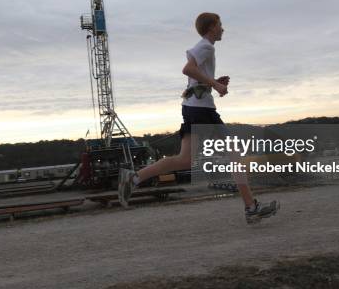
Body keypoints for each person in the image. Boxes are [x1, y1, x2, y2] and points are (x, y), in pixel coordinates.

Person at [118, 12, 279, 224]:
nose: (223, 28)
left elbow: (193, 77)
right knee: (234, 155)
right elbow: (188, 69)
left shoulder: (203, 47)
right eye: (220, 24)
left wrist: (213, 81)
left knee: (185, 160)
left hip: (193, 108)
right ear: (212, 27)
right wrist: (216, 84)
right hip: (202, 111)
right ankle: (251, 207)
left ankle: (135, 177)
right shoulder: (207, 46)